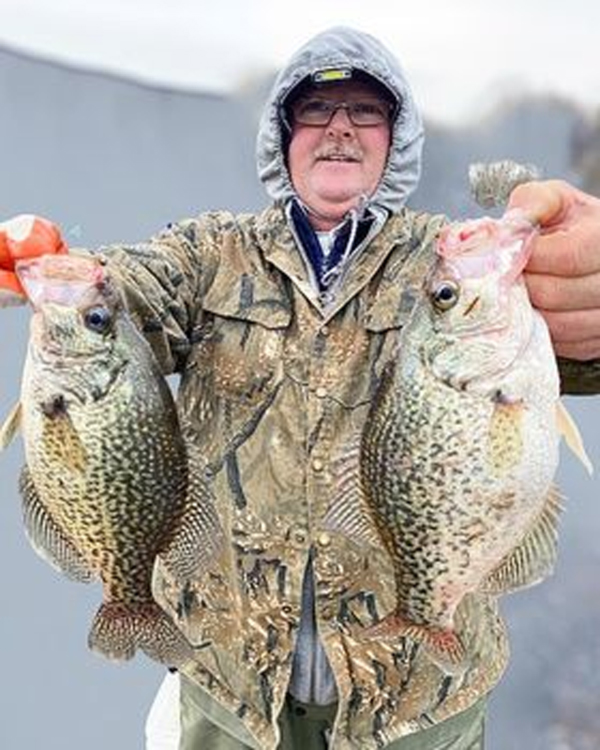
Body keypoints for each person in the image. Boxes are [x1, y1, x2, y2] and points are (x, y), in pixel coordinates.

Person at [1, 25, 600, 750]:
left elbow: (570, 351)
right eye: (316, 110)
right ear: (283, 135)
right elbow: (132, 294)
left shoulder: (456, 261)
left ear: (394, 137)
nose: (340, 129)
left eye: (365, 112)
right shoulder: (211, 252)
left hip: (419, 699)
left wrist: (587, 302)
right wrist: (66, 273)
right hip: (230, 690)